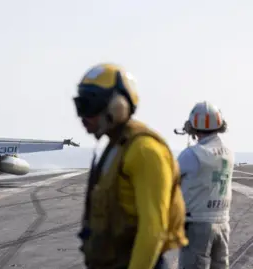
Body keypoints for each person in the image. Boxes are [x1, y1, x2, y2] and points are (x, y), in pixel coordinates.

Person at [74, 63, 189, 269]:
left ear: (118, 104)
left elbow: (153, 230)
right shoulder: (114, 146)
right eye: (79, 105)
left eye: (89, 105)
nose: (82, 116)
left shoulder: (145, 150)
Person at [176, 101, 233, 269]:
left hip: (197, 225)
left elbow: (170, 180)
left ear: (193, 125)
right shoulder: (229, 154)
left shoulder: (191, 154)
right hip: (223, 223)